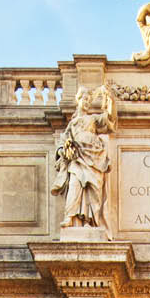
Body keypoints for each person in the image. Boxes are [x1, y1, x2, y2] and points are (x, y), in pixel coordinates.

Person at [52, 86, 116, 228]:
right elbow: (62, 143)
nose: (87, 102)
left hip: (93, 157)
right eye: (84, 99)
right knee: (75, 186)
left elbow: (110, 119)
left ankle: (89, 220)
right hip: (77, 159)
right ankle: (71, 217)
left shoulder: (92, 119)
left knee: (93, 189)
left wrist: (109, 99)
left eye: (89, 99)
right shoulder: (72, 124)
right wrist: (64, 150)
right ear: (78, 100)